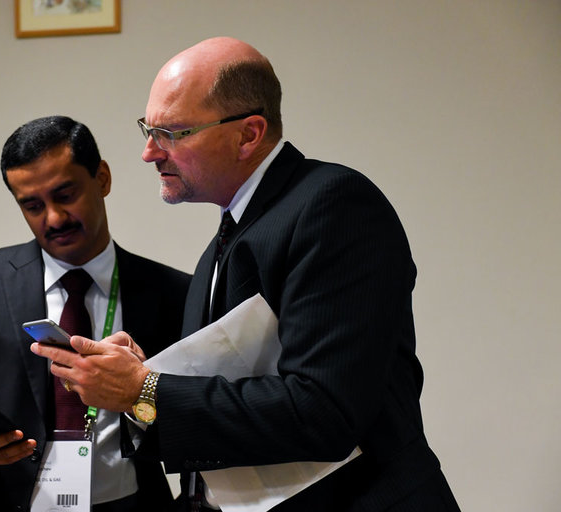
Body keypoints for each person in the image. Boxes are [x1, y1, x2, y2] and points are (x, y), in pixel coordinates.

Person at [32, 38, 461, 511]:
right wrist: (143, 375)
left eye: (172, 133)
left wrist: (145, 389)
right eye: (147, 129)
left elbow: (325, 412)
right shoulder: (228, 237)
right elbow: (239, 387)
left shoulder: (334, 206)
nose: (149, 153)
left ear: (249, 134)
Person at [0, 116, 191, 512]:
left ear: (102, 179)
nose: (54, 218)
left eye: (65, 194)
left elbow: (189, 418)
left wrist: (139, 393)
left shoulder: (172, 291)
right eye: (32, 205)